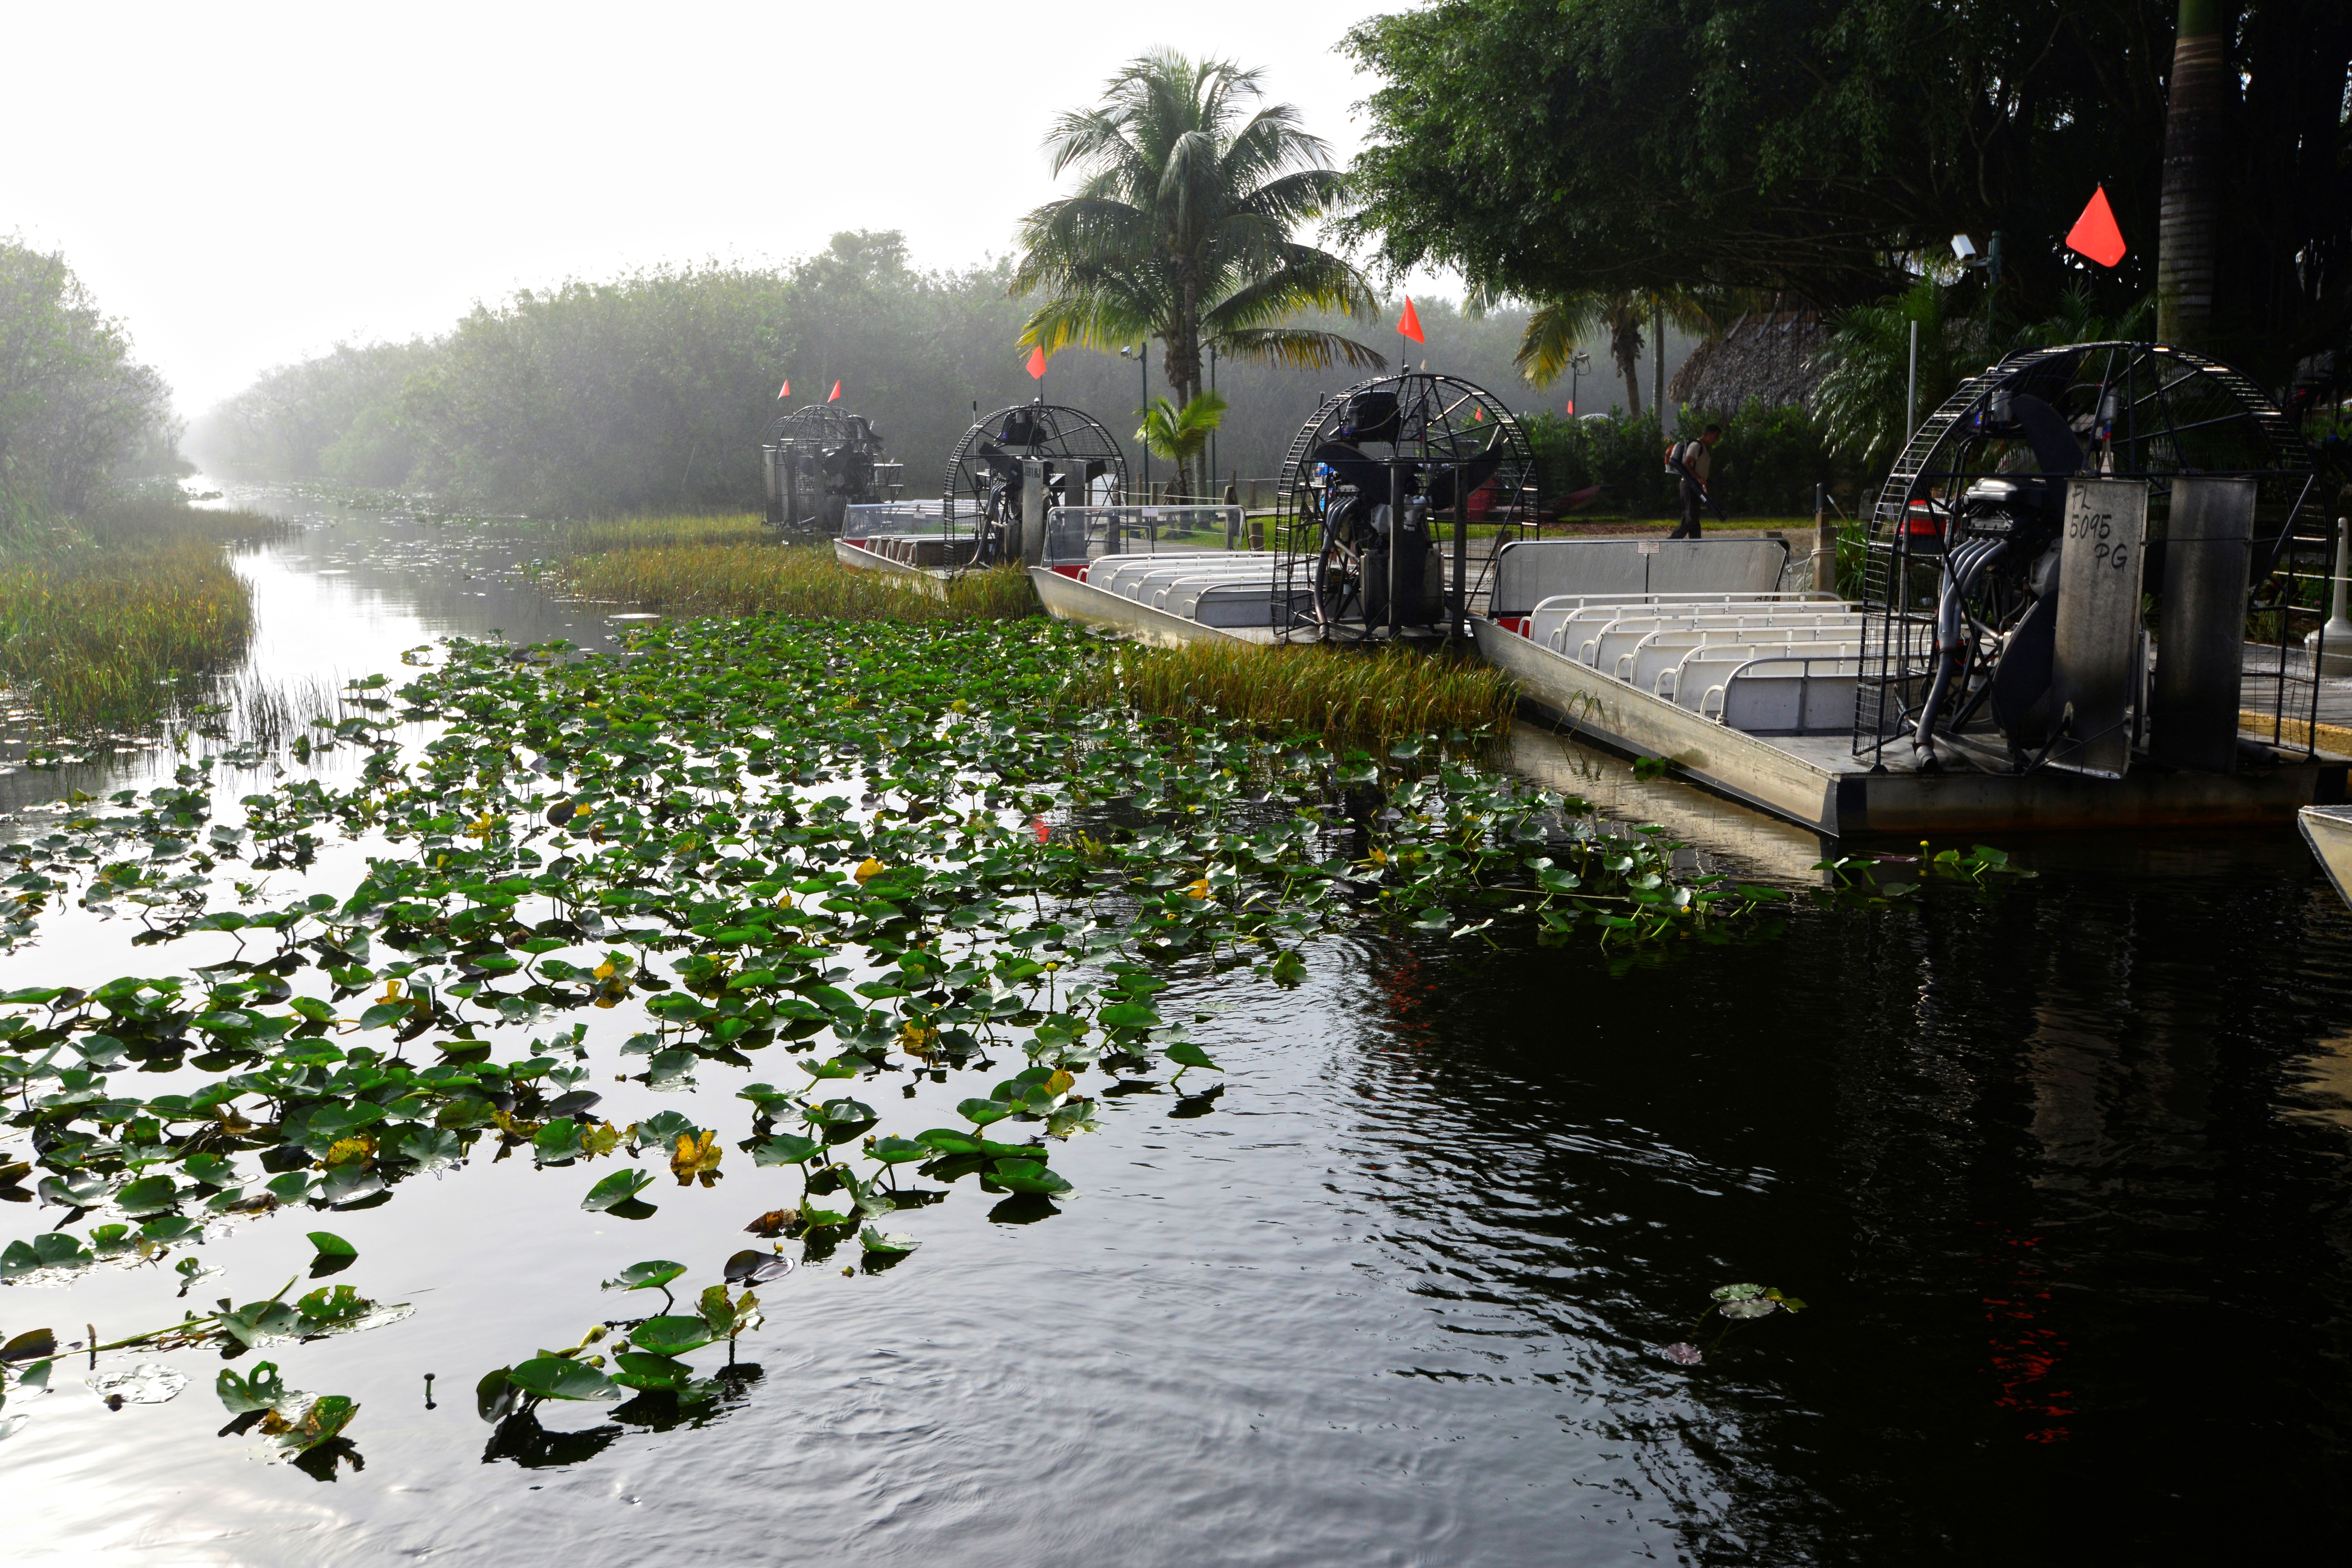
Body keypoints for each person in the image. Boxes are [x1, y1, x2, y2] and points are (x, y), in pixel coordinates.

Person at [1666, 424, 1723, 539]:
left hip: (1696, 485)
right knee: (1690, 518)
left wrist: (1702, 483)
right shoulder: (1696, 446)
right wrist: (1698, 478)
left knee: (1694, 519)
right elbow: (1686, 463)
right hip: (1689, 484)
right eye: (1715, 436)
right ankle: (1671, 542)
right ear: (1709, 434)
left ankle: (1696, 545)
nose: (1716, 440)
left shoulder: (1704, 448)